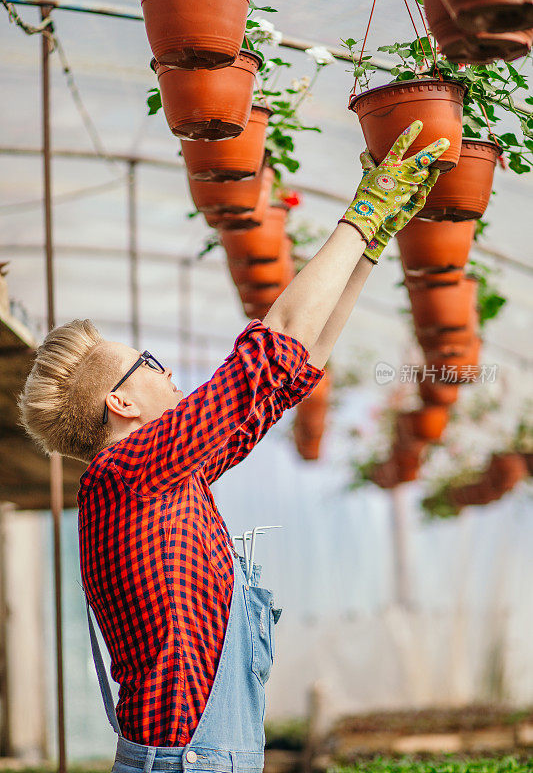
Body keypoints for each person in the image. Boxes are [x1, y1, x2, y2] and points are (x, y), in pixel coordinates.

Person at [19, 121, 449, 773]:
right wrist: (361, 215)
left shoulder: (165, 479)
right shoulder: (129, 471)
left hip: (200, 755)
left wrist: (373, 244)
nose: (169, 374)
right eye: (151, 363)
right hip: (191, 761)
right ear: (123, 404)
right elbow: (271, 343)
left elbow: (287, 372)